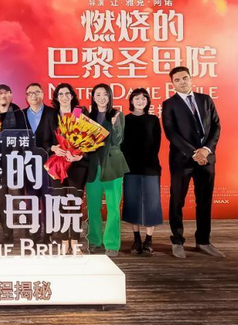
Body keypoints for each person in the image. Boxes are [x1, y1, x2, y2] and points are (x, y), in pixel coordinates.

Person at [162, 66, 222, 259]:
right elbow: (171, 133)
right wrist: (194, 153)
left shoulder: (205, 100)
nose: (182, 82)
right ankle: (177, 241)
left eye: (185, 78)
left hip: (207, 158)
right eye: (177, 80)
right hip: (182, 160)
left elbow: (216, 126)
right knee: (177, 201)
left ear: (191, 79)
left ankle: (203, 241)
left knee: (204, 201)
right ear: (172, 84)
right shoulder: (169, 104)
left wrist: (206, 150)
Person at [85, 84, 129, 258]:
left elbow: (118, 140)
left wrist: (115, 125)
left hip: (112, 166)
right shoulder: (88, 117)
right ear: (93, 97)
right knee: (93, 207)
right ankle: (94, 240)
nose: (102, 97)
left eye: (105, 94)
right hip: (92, 167)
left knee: (113, 207)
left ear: (110, 97)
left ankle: (111, 243)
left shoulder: (117, 115)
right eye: (98, 94)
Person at [121, 88, 162, 256]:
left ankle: (148, 240)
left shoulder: (153, 119)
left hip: (150, 167)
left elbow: (157, 143)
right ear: (131, 101)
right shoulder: (125, 119)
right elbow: (121, 144)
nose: (140, 101)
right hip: (130, 168)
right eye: (137, 98)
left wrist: (149, 160)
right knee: (133, 203)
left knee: (151, 204)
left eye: (143, 98)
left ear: (147, 101)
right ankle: (136, 239)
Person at [48, 83, 88, 255]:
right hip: (57, 165)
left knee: (75, 204)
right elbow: (43, 139)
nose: (64, 97)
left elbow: (89, 138)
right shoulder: (51, 115)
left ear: (72, 96)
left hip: (77, 165)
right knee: (60, 205)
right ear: (56, 98)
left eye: (67, 93)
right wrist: (53, 148)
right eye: (60, 94)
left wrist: (80, 155)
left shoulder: (80, 112)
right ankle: (64, 241)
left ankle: (75, 242)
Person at [0, 84, 27, 244]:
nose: (3, 96)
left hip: (14, 162)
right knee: (1, 199)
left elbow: (25, 136)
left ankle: (26, 232)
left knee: (17, 198)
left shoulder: (18, 112)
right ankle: (7, 233)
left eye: (6, 93)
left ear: (11, 95)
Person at [22, 83, 56, 244]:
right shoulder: (21, 115)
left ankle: (48, 233)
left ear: (42, 94)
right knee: (32, 199)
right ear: (26, 97)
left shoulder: (52, 113)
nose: (34, 95)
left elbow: (58, 137)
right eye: (30, 93)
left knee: (48, 198)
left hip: (48, 163)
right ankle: (34, 231)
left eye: (37, 92)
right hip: (28, 164)